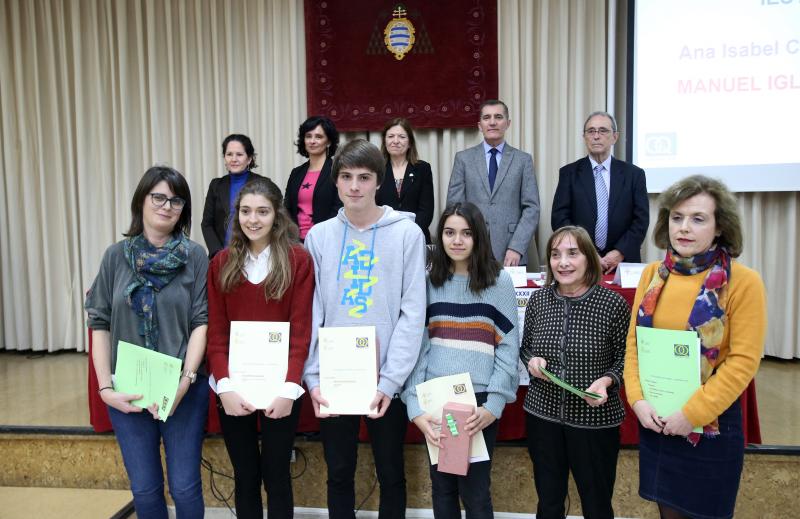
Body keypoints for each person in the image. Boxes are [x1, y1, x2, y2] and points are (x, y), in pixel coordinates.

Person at [624, 175, 767, 519]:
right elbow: (634, 347)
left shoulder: (744, 282)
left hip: (711, 424)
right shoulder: (652, 275)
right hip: (658, 420)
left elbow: (742, 364)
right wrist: (638, 401)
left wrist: (691, 415)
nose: (684, 228)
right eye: (677, 217)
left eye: (698, 219)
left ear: (720, 228)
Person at [302, 139, 427, 519]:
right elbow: (313, 312)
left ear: (378, 182)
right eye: (346, 177)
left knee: (391, 472)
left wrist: (390, 381)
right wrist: (314, 376)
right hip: (335, 379)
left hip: (386, 379)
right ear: (336, 182)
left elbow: (412, 314)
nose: (354, 186)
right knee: (339, 473)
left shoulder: (408, 234)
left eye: (364, 177)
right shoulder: (318, 237)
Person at [85, 166, 209, 518]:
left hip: (182, 389)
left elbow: (202, 321)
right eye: (158, 197)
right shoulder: (115, 256)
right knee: (144, 488)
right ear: (141, 200)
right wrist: (106, 389)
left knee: (185, 487)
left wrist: (186, 380)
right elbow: (100, 323)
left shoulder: (195, 256)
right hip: (129, 390)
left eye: (175, 200)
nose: (166, 206)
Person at [402, 202, 519, 519]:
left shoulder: (500, 283)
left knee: (476, 493)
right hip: (436, 400)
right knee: (442, 490)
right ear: (439, 237)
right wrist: (415, 406)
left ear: (479, 237)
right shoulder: (429, 282)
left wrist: (493, 404)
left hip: (477, 404)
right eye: (449, 233)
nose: (457, 240)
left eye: (466, 233)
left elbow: (508, 348)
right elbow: (418, 348)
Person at [206, 178, 315, 518]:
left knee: (277, 475)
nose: (253, 220)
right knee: (246, 475)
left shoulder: (298, 261)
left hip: (281, 388)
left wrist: (288, 389)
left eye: (263, 212)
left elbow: (300, 333)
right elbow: (217, 334)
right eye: (246, 211)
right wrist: (225, 386)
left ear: (277, 215)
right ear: (236, 215)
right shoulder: (221, 263)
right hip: (233, 388)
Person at [520, 225, 629, 519]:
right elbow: (525, 347)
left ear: (589, 259)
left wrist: (608, 380)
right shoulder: (539, 301)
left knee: (596, 504)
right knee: (549, 502)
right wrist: (532, 361)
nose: (563, 262)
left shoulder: (613, 304)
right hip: (543, 418)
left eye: (572, 253)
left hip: (595, 422)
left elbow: (627, 357)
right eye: (555, 255)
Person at [551, 111, 649, 272]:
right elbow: (560, 219)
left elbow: (641, 220)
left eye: (603, 131)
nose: (596, 136)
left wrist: (619, 252)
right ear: (584, 137)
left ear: (615, 137)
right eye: (591, 131)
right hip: (580, 261)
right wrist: (588, 252)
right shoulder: (569, 173)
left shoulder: (634, 174)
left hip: (622, 263)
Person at [446, 99, 540, 266]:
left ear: (508, 123)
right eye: (486, 117)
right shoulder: (463, 159)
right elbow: (455, 206)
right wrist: (464, 242)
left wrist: (517, 247)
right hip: (471, 249)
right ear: (479, 125)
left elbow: (532, 208)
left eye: (498, 117)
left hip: (511, 253)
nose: (492, 122)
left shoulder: (523, 160)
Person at [202, 134, 266, 258]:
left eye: (239, 154)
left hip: (256, 255)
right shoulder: (216, 185)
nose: (234, 159)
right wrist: (217, 253)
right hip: (222, 255)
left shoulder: (264, 184)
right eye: (229, 154)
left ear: (249, 159)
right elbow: (207, 224)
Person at [376, 117, 435, 243]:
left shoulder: (422, 169)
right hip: (383, 238)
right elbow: (372, 207)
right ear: (384, 141)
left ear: (409, 143)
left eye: (402, 137)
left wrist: (410, 233)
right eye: (391, 136)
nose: (395, 141)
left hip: (416, 237)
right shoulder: (375, 170)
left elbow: (426, 210)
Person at [284, 116, 341, 241]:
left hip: (326, 239)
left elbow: (339, 209)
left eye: (318, 137)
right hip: (296, 241)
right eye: (308, 136)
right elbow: (287, 208)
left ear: (329, 142)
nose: (312, 141)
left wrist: (321, 236)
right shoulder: (296, 173)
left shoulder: (337, 171)